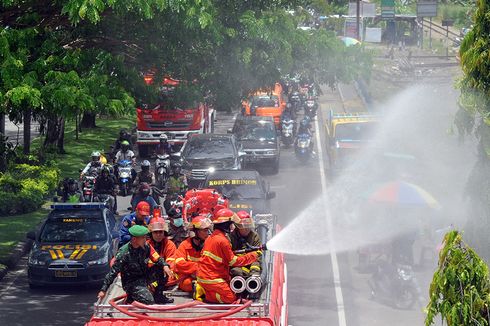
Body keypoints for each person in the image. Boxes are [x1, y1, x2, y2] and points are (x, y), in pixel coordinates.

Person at [195, 208, 261, 304]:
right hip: (213, 278)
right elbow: (233, 261)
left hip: (204, 276)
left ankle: (203, 289)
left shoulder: (211, 237)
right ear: (225, 225)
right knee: (231, 298)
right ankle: (206, 294)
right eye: (231, 224)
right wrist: (253, 256)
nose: (232, 227)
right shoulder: (223, 241)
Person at [98, 225, 173, 305]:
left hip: (144, 276)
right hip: (132, 282)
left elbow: (157, 258)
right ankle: (131, 298)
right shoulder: (124, 253)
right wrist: (103, 290)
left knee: (161, 268)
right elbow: (112, 273)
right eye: (143, 238)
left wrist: (165, 265)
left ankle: (158, 296)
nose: (146, 240)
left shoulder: (146, 246)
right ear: (134, 239)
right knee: (149, 301)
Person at [174, 214, 212, 292]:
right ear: (195, 232)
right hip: (188, 277)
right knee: (187, 284)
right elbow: (179, 263)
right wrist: (197, 268)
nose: (207, 233)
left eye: (207, 230)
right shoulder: (184, 245)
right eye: (204, 230)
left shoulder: (210, 243)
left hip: (206, 276)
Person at [146, 218, 177, 303]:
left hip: (165, 278)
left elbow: (171, 263)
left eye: (161, 232)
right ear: (151, 233)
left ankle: (158, 294)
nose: (158, 235)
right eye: (155, 232)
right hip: (148, 277)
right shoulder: (146, 245)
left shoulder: (170, 245)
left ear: (164, 233)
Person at [229, 211, 262, 277]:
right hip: (237, 264)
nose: (247, 229)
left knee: (256, 265)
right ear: (237, 226)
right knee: (235, 271)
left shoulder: (254, 236)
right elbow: (229, 257)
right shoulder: (230, 237)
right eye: (244, 226)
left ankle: (253, 278)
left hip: (251, 262)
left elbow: (258, 254)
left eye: (249, 225)